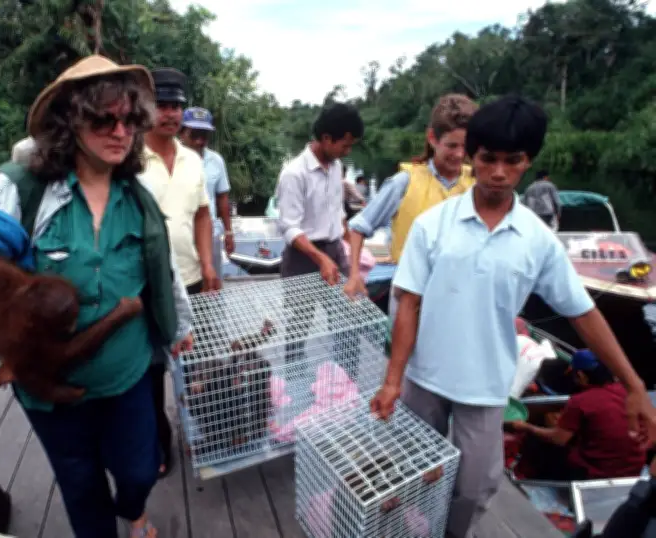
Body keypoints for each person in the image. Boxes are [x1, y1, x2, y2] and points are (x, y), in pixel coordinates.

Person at [0, 56, 194, 538]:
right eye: (103, 118)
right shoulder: (18, 193)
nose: (120, 131)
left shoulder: (136, 194)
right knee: (80, 484)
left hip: (127, 374)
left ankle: (134, 508)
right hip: (48, 387)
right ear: (70, 122)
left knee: (140, 470)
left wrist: (179, 325)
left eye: (129, 119)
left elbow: (160, 267)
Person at [369, 94, 656, 538]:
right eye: (488, 159)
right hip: (425, 376)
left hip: (485, 385)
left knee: (476, 485)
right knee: (410, 469)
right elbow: (407, 302)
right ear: (470, 156)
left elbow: (582, 312)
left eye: (513, 160)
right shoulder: (434, 225)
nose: (499, 172)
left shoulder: (538, 240)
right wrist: (392, 380)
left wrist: (633, 384)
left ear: (529, 162)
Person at [138, 67, 220, 480]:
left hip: (191, 280)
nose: (170, 114)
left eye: (176, 106)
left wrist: (208, 264)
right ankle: (159, 444)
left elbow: (203, 215)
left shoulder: (192, 160)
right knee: (151, 371)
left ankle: (207, 434)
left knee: (200, 364)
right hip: (146, 286)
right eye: (162, 105)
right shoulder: (129, 156)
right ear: (146, 107)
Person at [344, 94, 478, 306]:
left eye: (466, 146)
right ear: (433, 138)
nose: (460, 154)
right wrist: (354, 276)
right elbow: (358, 228)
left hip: (460, 296)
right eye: (452, 146)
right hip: (408, 295)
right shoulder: (404, 182)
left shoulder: (476, 184)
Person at [275, 102, 364, 379]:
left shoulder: (336, 167)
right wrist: (320, 258)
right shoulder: (294, 173)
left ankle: (347, 380)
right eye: (344, 145)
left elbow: (337, 212)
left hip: (334, 250)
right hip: (303, 256)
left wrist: (351, 249)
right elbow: (289, 227)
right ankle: (294, 381)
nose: (346, 152)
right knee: (299, 323)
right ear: (326, 138)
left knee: (349, 316)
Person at [512, 349, 648, 480]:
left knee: (540, 440)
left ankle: (522, 474)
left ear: (581, 376)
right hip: (633, 470)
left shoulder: (580, 401)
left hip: (593, 474)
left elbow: (559, 439)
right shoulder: (629, 392)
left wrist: (525, 426)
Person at [179, 106, 234, 279]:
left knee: (212, 283)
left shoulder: (216, 161)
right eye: (194, 134)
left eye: (204, 136)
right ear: (181, 133)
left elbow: (222, 197)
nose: (199, 141)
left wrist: (228, 232)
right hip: (182, 234)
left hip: (211, 233)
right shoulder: (172, 158)